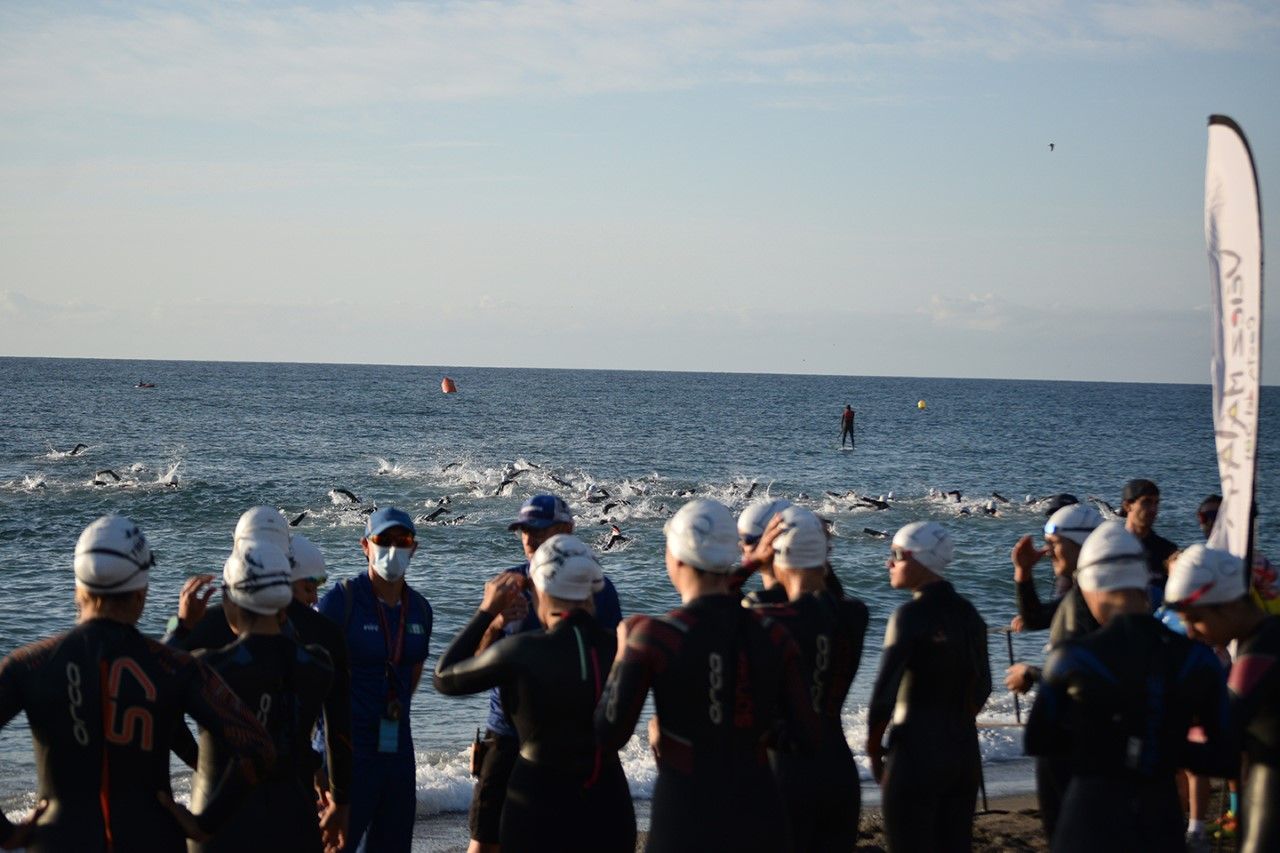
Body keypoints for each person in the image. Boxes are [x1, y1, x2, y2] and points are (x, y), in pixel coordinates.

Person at [0, 515, 275, 852]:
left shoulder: (29, 665)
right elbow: (258, 746)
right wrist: (206, 824)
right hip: (151, 838)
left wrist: (6, 833)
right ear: (141, 592)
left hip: (59, 841)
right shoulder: (175, 667)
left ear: (78, 588)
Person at [596, 498, 819, 853]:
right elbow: (806, 736)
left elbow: (606, 737)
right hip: (761, 812)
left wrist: (623, 655)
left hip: (684, 814)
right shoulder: (775, 633)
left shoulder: (653, 636)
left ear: (676, 558)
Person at [1025, 522, 1234, 853]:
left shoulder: (1072, 658)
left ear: (1089, 583)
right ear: (1143, 582)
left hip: (1089, 816)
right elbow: (1224, 757)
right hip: (1159, 817)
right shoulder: (1196, 658)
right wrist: (1159, 747)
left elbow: (1039, 740)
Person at [435, 535, 635, 853]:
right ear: (592, 589)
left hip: (535, 802)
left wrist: (487, 611)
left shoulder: (520, 651)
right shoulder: (623, 647)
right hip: (608, 801)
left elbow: (445, 677)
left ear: (539, 590)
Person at [166, 510, 353, 848]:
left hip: (217, 807)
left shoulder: (205, 647)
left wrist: (196, 759)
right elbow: (340, 730)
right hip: (293, 811)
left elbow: (153, 691)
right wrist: (340, 800)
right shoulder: (322, 646)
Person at [748, 506, 869, 852]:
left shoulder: (764, 616)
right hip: (839, 770)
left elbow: (712, 616)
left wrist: (753, 565)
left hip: (785, 772)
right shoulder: (855, 614)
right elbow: (826, 598)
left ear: (777, 557)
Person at [866, 520, 990, 853]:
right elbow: (983, 686)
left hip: (915, 755)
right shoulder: (969, 613)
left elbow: (884, 694)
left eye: (896, 555)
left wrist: (874, 750)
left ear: (919, 558)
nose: (888, 563)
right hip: (964, 755)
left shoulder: (909, 616)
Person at [317, 507, 432, 853]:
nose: (393, 549)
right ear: (365, 545)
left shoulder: (420, 609)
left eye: (403, 540)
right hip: (348, 751)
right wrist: (316, 762)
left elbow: (411, 676)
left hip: (397, 751)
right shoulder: (341, 602)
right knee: (336, 846)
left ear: (414, 548)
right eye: (384, 540)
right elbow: (313, 682)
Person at [1166, 544, 1280, 853]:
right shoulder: (1265, 638)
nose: (1190, 632)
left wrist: (1156, 737)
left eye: (1195, 618)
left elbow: (1221, 738)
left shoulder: (1261, 652)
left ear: (1229, 605)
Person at [1119, 478, 1178, 605]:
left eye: (1156, 503)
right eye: (1146, 502)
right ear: (1127, 506)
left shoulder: (1167, 551)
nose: (1153, 509)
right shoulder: (1112, 547)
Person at [734, 498, 792, 605]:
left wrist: (754, 562)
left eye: (747, 540)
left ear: (770, 541)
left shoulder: (758, 603)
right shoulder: (820, 595)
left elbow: (710, 599)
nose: (740, 546)